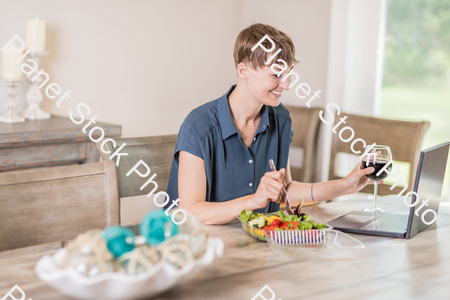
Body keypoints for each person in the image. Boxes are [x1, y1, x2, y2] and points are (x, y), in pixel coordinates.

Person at [166, 23, 376, 225]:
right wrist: (254, 201)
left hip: (253, 245)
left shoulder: (280, 118)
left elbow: (285, 194)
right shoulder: (199, 125)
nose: (286, 84)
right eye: (276, 74)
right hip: (198, 247)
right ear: (243, 71)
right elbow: (191, 212)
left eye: (289, 73)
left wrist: (343, 186)